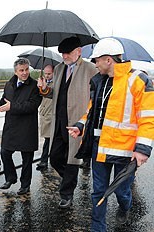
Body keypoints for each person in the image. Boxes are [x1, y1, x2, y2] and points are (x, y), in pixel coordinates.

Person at [67, 37, 153, 231]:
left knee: (122, 190)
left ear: (108, 60)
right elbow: (92, 111)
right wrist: (80, 126)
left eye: (97, 60)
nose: (95, 64)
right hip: (100, 147)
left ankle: (125, 206)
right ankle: (98, 227)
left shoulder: (138, 80)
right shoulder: (98, 81)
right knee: (98, 191)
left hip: (125, 151)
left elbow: (148, 118)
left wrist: (142, 149)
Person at [38, 37, 98, 208]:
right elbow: (54, 93)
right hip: (59, 122)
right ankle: (69, 180)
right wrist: (44, 89)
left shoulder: (90, 69)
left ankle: (67, 195)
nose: (64, 56)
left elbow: (95, 97)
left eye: (68, 53)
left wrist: (87, 119)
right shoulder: (58, 68)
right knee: (55, 157)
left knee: (72, 160)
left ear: (78, 51)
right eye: (62, 53)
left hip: (77, 124)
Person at [0, 58, 42, 195]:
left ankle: (25, 185)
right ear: (15, 71)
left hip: (27, 127)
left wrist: (12, 106)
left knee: (27, 158)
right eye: (21, 70)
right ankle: (10, 178)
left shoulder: (35, 86)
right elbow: (1, 102)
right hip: (11, 126)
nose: (24, 73)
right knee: (5, 152)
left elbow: (33, 105)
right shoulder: (9, 84)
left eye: (27, 70)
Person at [36, 64, 54, 171]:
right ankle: (45, 160)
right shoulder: (43, 82)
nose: (47, 76)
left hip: (50, 115)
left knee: (48, 140)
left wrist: (44, 87)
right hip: (44, 114)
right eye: (45, 73)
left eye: (49, 73)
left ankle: (44, 161)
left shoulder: (55, 83)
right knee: (47, 140)